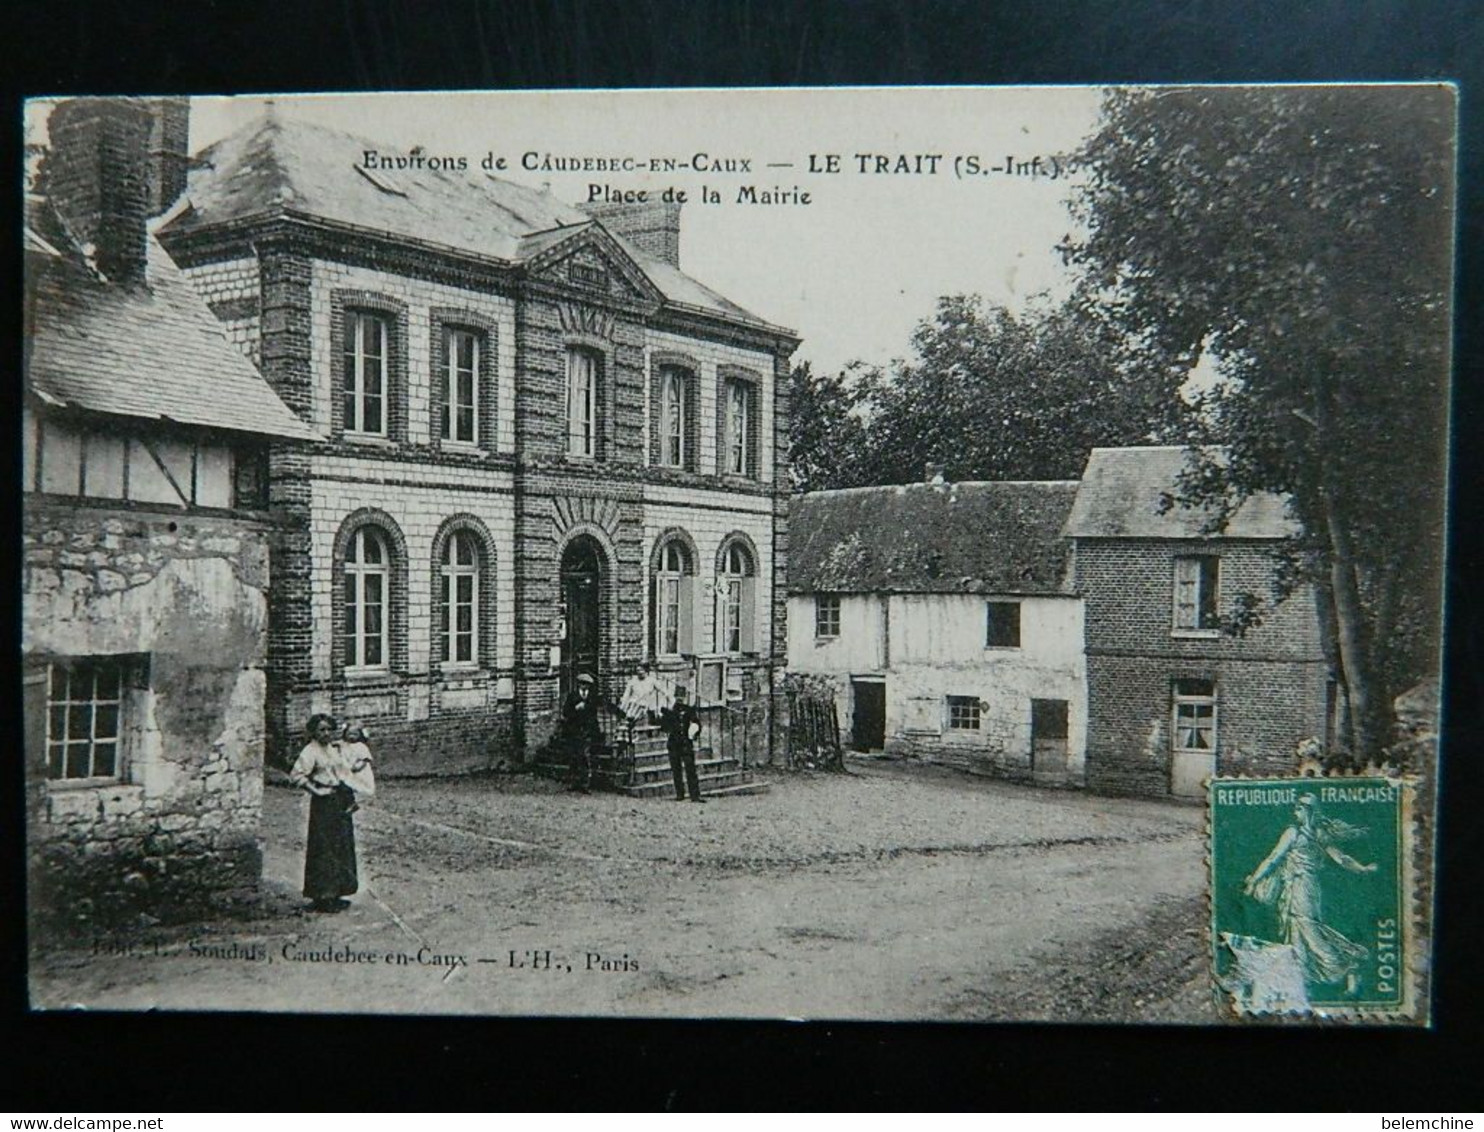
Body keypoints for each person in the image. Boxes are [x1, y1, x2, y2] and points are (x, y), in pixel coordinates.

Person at [1243, 793, 1378, 994]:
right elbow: (1342, 858)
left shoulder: (1295, 833)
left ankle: (1347, 965)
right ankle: (1302, 977)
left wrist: (1254, 880)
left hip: (1301, 886)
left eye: (1298, 808)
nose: (1294, 812)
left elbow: (1273, 859)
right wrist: (1362, 869)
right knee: (1296, 929)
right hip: (1302, 886)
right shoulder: (1317, 834)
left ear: (1308, 811)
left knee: (1307, 929)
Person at [289, 713, 359, 912]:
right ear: (313, 732)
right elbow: (297, 775)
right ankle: (322, 896)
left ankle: (337, 893)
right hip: (323, 804)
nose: (326, 733)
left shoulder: (333, 748)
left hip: (339, 800)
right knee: (324, 848)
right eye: (321, 730)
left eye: (329, 729)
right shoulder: (310, 752)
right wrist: (317, 790)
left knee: (341, 846)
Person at [654, 685, 705, 803]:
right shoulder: (670, 711)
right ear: (675, 697)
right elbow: (664, 727)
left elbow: (697, 724)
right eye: (678, 696)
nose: (680, 699)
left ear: (685, 697)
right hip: (674, 744)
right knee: (676, 770)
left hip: (686, 744)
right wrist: (659, 717)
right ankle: (680, 794)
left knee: (690, 769)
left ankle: (695, 795)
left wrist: (695, 732)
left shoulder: (690, 711)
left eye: (682, 696)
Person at [557, 672, 605, 793]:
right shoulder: (572, 696)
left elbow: (594, 713)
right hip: (575, 730)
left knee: (585, 756)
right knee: (574, 757)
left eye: (587, 685)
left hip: (588, 730)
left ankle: (585, 784)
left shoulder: (592, 697)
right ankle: (573, 782)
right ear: (579, 684)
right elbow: (566, 712)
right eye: (583, 684)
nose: (585, 687)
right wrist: (575, 709)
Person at [338, 721, 376, 811]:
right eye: (349, 734)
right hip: (348, 768)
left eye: (355, 734)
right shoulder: (344, 746)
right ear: (345, 734)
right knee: (344, 785)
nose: (352, 736)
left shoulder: (361, 746)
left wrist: (358, 767)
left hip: (359, 770)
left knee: (357, 785)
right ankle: (349, 802)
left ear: (360, 735)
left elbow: (365, 760)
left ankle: (354, 802)